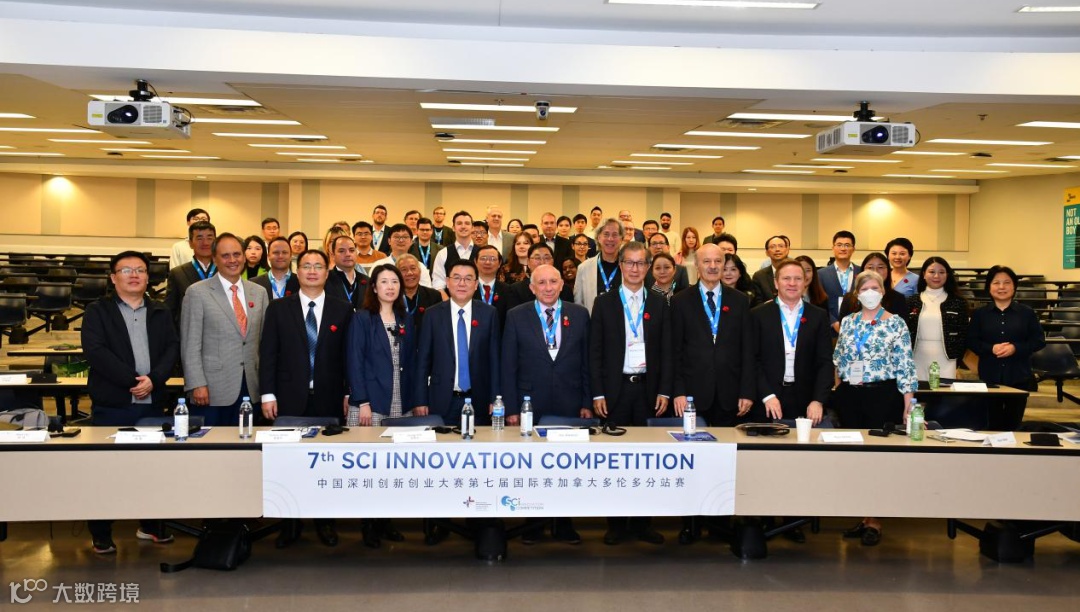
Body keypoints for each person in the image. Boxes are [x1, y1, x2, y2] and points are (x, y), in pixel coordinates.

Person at [82, 250, 180, 554]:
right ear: (113, 277)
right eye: (126, 270)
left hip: (152, 403)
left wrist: (154, 379)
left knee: (150, 468)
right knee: (106, 470)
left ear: (148, 277)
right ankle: (101, 532)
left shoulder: (161, 311)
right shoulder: (98, 311)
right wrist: (133, 381)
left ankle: (149, 525)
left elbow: (172, 348)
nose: (134, 275)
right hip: (112, 403)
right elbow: (95, 351)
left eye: (140, 270)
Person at [259, 249, 352, 549]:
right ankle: (289, 524)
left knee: (327, 465)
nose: (312, 271)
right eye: (306, 266)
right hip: (288, 398)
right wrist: (267, 394)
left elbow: (348, 356)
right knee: (288, 465)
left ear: (327, 272)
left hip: (329, 398)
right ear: (297, 272)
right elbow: (268, 354)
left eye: (318, 266)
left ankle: (325, 522)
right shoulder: (279, 308)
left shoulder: (343, 309)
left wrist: (348, 392)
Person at [501, 264, 591, 545]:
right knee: (532, 466)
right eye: (541, 283)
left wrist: (587, 401)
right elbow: (508, 366)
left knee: (567, 466)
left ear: (562, 284)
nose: (548, 287)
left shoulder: (580, 314)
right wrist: (511, 409)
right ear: (532, 287)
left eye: (553, 281)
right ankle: (533, 523)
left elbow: (587, 362)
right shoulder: (516, 316)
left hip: (570, 402)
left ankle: (564, 523)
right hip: (530, 404)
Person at [589, 242, 671, 546]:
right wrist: (597, 392)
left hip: (649, 390)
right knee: (615, 459)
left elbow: (668, 351)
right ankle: (616, 524)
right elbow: (595, 352)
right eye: (629, 263)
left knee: (648, 461)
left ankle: (642, 523)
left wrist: (665, 390)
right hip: (616, 390)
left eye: (641, 263)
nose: (635, 269)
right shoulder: (604, 302)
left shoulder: (660, 302)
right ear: (621, 265)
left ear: (648, 267)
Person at [832, 269, 917, 547]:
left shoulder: (896, 323)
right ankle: (863, 513)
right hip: (851, 396)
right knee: (855, 459)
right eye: (865, 289)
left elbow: (905, 365)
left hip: (883, 396)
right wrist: (838, 388)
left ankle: (874, 520)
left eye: (875, 288)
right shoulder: (848, 322)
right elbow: (839, 358)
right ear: (857, 294)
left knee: (878, 459)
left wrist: (908, 404)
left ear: (883, 292)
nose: (870, 293)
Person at [345, 263, 414, 547]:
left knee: (392, 467)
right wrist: (362, 401)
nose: (390, 287)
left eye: (394, 282)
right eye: (384, 281)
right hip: (371, 401)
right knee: (369, 467)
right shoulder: (363, 318)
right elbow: (354, 360)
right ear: (374, 287)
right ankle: (368, 524)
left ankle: (386, 521)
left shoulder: (405, 318)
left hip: (400, 399)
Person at [181, 233, 269, 426]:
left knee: (246, 441)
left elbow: (264, 343)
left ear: (244, 257)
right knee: (211, 443)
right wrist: (196, 383)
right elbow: (190, 345)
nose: (232, 260)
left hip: (251, 387)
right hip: (211, 390)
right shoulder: (197, 292)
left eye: (237, 254)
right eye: (225, 255)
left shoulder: (259, 292)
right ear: (215, 259)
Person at [670, 244, 755, 427]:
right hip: (691, 394)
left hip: (730, 395)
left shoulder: (740, 300)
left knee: (728, 444)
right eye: (707, 261)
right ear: (697, 265)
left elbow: (748, 350)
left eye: (718, 261)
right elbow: (675, 352)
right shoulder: (680, 301)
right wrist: (678, 391)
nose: (713, 266)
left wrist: (747, 392)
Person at [415, 260, 501, 426]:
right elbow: (422, 361)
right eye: (456, 278)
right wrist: (420, 400)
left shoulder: (489, 314)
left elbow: (494, 360)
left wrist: (495, 398)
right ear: (447, 282)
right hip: (441, 400)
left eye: (468, 279)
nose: (462, 283)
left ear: (476, 285)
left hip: (479, 401)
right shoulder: (432, 315)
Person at [750, 259, 833, 423]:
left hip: (806, 401)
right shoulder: (758, 315)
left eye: (798, 279)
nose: (792, 283)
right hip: (767, 400)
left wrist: (818, 400)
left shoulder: (818, 316)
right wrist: (767, 396)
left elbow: (825, 362)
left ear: (805, 283)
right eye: (786, 278)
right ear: (776, 283)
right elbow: (752, 360)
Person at [967, 265, 1045, 430]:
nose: (1001, 287)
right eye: (996, 283)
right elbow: (972, 341)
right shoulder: (980, 314)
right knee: (990, 424)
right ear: (989, 287)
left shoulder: (1027, 313)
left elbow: (1038, 341)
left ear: (1014, 286)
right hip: (989, 377)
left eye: (1007, 282)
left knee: (1013, 425)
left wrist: (1016, 348)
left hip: (1019, 376)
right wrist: (991, 348)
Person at [903, 256, 969, 381]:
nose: (936, 276)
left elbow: (963, 335)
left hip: (947, 358)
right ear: (924, 274)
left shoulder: (958, 302)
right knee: (919, 391)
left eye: (941, 272)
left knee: (944, 391)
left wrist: (958, 360)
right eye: (932, 272)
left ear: (947, 275)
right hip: (917, 357)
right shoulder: (911, 301)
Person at [164, 220, 216, 329]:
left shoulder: (225, 271)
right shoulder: (178, 273)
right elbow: (170, 311)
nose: (205, 243)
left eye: (210, 238)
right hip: (188, 331)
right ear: (191, 243)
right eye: (199, 238)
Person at [574, 218, 623, 315]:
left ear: (621, 239)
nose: (610, 239)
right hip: (593, 321)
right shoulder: (584, 268)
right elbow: (578, 304)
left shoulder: (630, 266)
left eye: (615, 234)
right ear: (598, 237)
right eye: (606, 234)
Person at [839, 253, 906, 318]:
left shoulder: (898, 299)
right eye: (870, 267)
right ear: (863, 270)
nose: (875, 271)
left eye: (880, 267)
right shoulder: (849, 299)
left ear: (888, 270)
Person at [819, 230, 860, 333]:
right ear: (833, 248)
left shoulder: (862, 272)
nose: (843, 248)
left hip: (858, 327)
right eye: (839, 245)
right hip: (829, 329)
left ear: (853, 249)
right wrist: (833, 322)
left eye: (847, 245)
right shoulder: (821, 274)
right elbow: (818, 302)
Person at [431, 211, 476, 293]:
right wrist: (447, 300)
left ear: (472, 228)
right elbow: (438, 283)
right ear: (453, 228)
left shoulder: (481, 253)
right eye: (459, 223)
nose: (463, 226)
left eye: (467, 223)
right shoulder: (443, 254)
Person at [398, 254, 444, 330]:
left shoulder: (434, 296)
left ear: (419, 272)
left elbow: (439, 326)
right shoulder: (393, 298)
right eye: (404, 269)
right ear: (397, 274)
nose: (409, 273)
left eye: (413, 268)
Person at [325, 235, 369, 311]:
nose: (348, 254)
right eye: (341, 251)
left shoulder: (367, 281)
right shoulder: (325, 280)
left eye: (352, 250)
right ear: (333, 255)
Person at [474, 245, 510, 328]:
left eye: (493, 259)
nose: (487, 262)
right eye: (483, 258)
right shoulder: (468, 288)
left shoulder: (508, 290)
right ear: (475, 261)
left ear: (499, 263)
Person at [751, 235, 790, 299]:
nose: (777, 249)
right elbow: (757, 302)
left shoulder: (796, 273)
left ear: (787, 250)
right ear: (767, 252)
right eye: (773, 247)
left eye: (781, 246)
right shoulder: (759, 276)